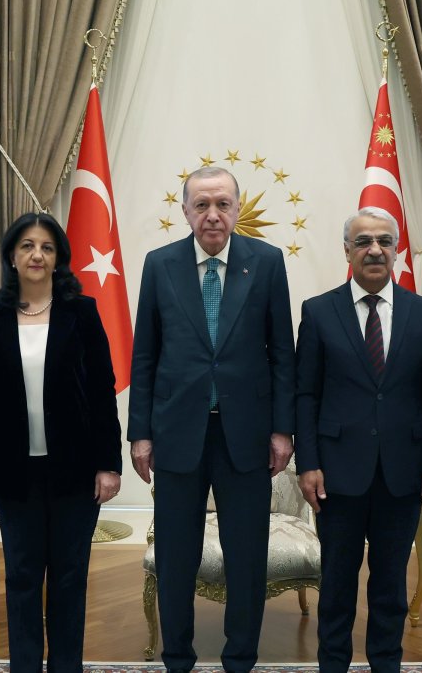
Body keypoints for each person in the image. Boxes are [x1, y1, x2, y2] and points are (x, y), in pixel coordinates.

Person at [127, 166, 296, 672]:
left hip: (246, 433)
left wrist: (282, 429)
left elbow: (282, 353)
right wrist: (140, 434)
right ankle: (177, 657)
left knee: (246, 554)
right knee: (176, 555)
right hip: (177, 432)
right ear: (185, 211)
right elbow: (145, 356)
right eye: (201, 205)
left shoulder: (266, 262)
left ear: (237, 209)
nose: (213, 215)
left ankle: (240, 657)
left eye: (222, 204)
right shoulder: (160, 265)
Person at [0, 212, 122, 671]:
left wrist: (108, 464)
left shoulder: (81, 312)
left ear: (59, 259)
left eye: (47, 247)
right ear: (12, 256)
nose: (37, 255)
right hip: (13, 473)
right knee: (22, 577)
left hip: (75, 470)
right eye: (28, 246)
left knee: (70, 578)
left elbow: (102, 391)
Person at [294, 207, 422, 673]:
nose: (375, 250)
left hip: (403, 472)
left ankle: (386, 663)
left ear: (397, 250)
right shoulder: (319, 311)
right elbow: (306, 394)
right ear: (347, 251)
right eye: (363, 242)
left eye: (384, 241)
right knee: (336, 586)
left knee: (390, 587)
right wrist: (308, 463)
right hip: (336, 474)